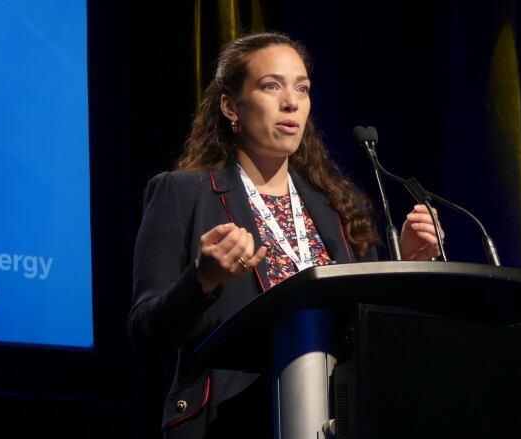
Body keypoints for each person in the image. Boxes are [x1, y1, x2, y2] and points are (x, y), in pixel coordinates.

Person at [128, 32, 443, 439]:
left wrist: (409, 265)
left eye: (302, 89)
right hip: (231, 424)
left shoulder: (335, 209)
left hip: (337, 421)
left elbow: (363, 324)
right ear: (230, 107)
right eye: (271, 86)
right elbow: (145, 332)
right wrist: (201, 278)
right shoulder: (184, 192)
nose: (291, 102)